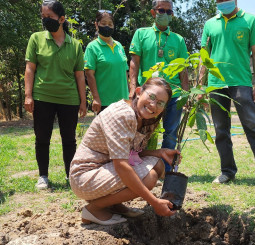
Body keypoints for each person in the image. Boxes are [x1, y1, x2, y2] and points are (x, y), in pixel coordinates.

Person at [69, 77, 180, 225]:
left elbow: (128, 153)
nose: (153, 105)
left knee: (157, 164)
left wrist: (159, 152)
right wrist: (154, 202)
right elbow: (121, 165)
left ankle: (113, 205)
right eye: (151, 97)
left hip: (104, 170)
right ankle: (93, 209)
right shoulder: (122, 114)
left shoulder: (144, 119)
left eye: (160, 103)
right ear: (139, 92)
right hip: (85, 177)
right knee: (150, 176)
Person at [200, 0, 255, 188]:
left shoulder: (250, 20)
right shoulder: (210, 24)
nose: (222, 2)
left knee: (253, 127)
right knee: (221, 130)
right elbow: (204, 56)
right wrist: (200, 86)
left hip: (241, 83)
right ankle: (227, 172)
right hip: (215, 84)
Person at [24, 0, 87, 190]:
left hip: (69, 99)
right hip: (43, 97)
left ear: (61, 19)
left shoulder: (75, 45)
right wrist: (28, 95)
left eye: (49, 17)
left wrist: (83, 102)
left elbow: (79, 76)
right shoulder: (36, 39)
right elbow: (30, 69)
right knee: (42, 138)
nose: (45, 20)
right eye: (43, 17)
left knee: (69, 139)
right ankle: (43, 176)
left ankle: (70, 175)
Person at [129, 0, 189, 172]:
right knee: (144, 132)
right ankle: (143, 167)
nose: (165, 14)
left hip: (174, 94)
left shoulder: (178, 39)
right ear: (153, 12)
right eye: (161, 10)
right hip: (149, 95)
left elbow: (183, 69)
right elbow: (134, 63)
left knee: (170, 133)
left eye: (169, 12)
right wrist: (133, 89)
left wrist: (185, 94)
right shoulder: (141, 34)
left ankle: (167, 170)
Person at [84, 10, 129, 113]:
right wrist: (96, 98)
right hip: (104, 102)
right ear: (96, 25)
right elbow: (89, 75)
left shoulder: (119, 46)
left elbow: (125, 72)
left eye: (110, 24)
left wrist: (129, 95)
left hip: (123, 102)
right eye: (103, 24)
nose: (107, 27)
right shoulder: (92, 47)